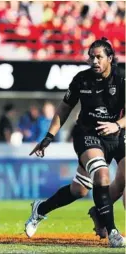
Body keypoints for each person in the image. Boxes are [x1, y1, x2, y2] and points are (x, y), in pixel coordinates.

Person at [26, 38, 125, 248]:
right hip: (88, 134)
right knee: (102, 174)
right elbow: (64, 109)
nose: (94, 61)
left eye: (99, 57)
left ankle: (41, 209)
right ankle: (113, 233)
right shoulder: (82, 79)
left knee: (80, 190)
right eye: (91, 57)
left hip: (117, 133)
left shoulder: (122, 79)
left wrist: (117, 125)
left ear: (110, 58)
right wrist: (48, 137)